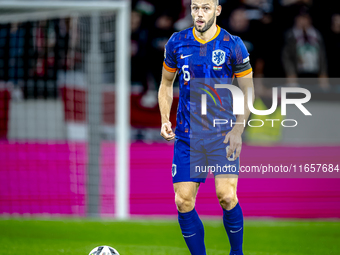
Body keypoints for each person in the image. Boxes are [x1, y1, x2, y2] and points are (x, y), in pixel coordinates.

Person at [158, 0, 254, 254]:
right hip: (188, 136)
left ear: (218, 11)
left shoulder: (233, 44)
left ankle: (237, 253)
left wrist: (237, 129)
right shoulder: (177, 42)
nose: (199, 14)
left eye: (206, 8)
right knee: (183, 201)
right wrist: (164, 118)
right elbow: (167, 83)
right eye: (195, 8)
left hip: (222, 134)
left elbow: (247, 89)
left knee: (227, 196)